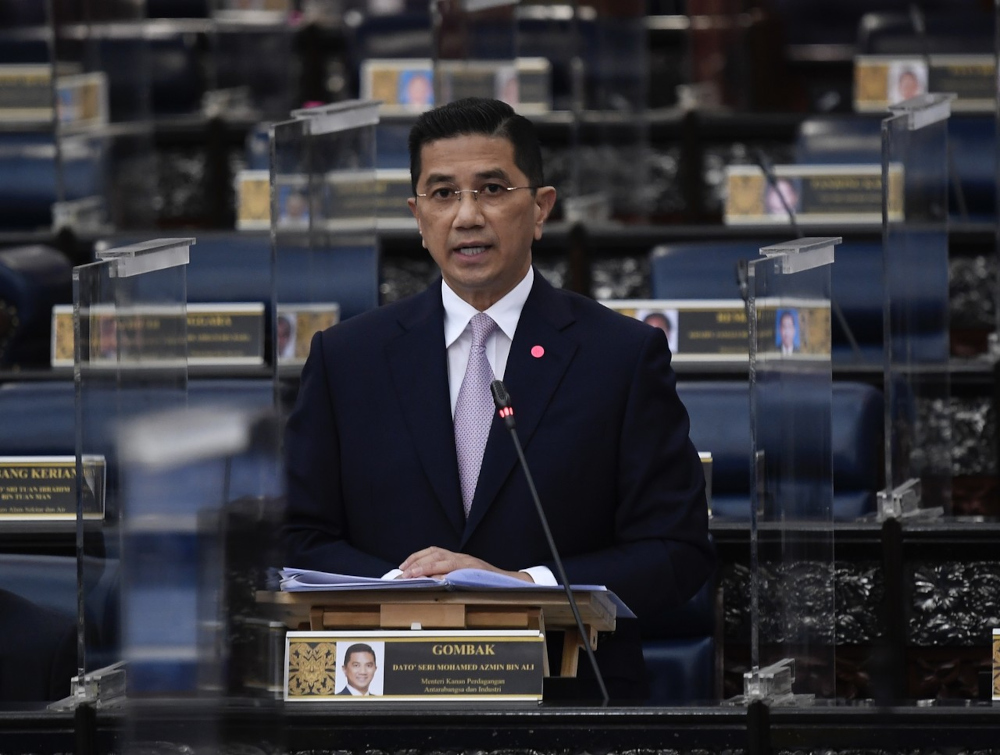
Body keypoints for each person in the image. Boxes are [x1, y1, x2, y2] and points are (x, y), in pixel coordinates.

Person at [283, 97, 715, 699]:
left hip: (565, 699)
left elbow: (676, 552)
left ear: (540, 209)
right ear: (417, 215)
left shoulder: (620, 356)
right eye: (442, 194)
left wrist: (520, 586)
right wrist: (408, 589)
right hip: (385, 697)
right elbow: (298, 536)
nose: (466, 216)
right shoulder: (347, 359)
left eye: (491, 189)